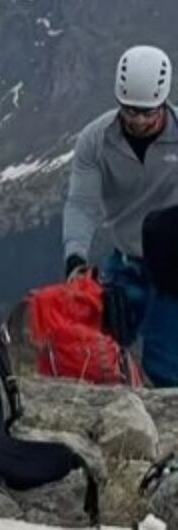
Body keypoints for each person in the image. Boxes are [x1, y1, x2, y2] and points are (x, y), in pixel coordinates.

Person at [64, 45, 178, 386]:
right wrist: (75, 258)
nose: (139, 120)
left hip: (174, 268)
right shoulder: (95, 140)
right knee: (94, 351)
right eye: (131, 111)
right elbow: (81, 204)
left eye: (148, 112)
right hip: (126, 260)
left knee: (166, 364)